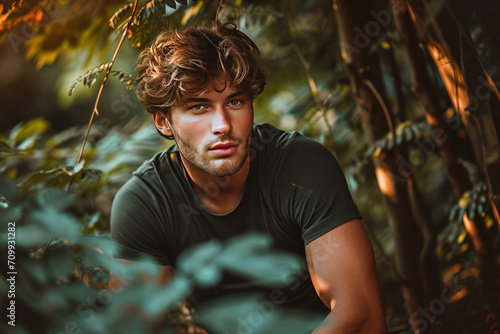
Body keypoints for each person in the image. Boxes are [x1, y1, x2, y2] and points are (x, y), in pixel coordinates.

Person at [110, 22, 386, 333]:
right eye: (198, 106)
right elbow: (131, 326)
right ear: (163, 121)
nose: (223, 125)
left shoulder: (301, 166)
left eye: (235, 101)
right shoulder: (146, 203)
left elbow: (361, 316)